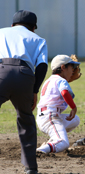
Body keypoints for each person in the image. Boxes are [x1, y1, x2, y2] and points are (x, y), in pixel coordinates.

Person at [0, 10, 48, 174]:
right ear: (33, 27)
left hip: (1, 71)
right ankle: (31, 168)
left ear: (12, 25)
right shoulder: (39, 39)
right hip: (25, 75)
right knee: (26, 118)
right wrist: (34, 91)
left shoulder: (2, 32)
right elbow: (42, 66)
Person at [36, 54, 81, 154]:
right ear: (63, 67)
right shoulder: (61, 81)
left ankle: (52, 140)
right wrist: (73, 107)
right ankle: (40, 150)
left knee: (75, 119)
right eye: (71, 67)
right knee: (64, 143)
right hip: (50, 117)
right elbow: (64, 92)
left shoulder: (50, 80)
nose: (73, 71)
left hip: (46, 115)